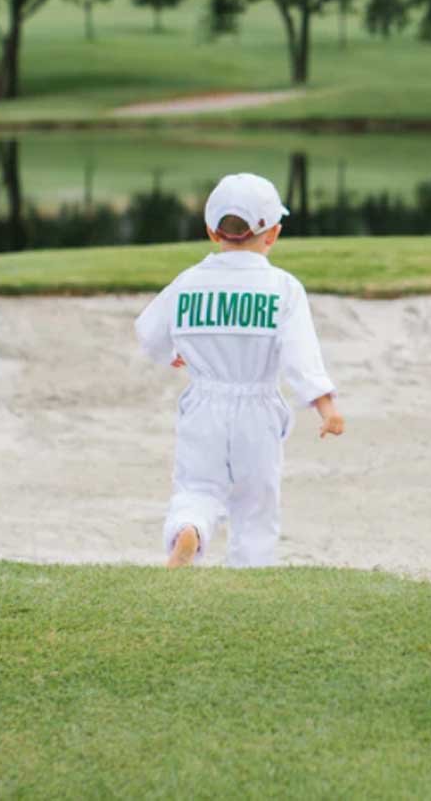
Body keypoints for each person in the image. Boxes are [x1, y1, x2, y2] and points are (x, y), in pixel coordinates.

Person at [134, 173, 344, 568]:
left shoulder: (189, 282)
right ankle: (249, 575)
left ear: (211, 231)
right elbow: (301, 357)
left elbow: (148, 332)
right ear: (273, 233)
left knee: (196, 486)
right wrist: (327, 407)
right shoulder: (283, 288)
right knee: (255, 503)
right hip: (258, 407)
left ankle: (189, 530)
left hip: (204, 403)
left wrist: (171, 354)